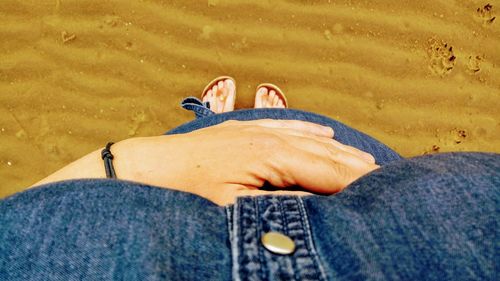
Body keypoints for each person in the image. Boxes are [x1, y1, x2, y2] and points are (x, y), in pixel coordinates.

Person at [0, 76, 498, 280]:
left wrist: (122, 164)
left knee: (250, 141)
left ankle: (213, 123)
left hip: (140, 199)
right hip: (389, 200)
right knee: (311, 141)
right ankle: (247, 126)